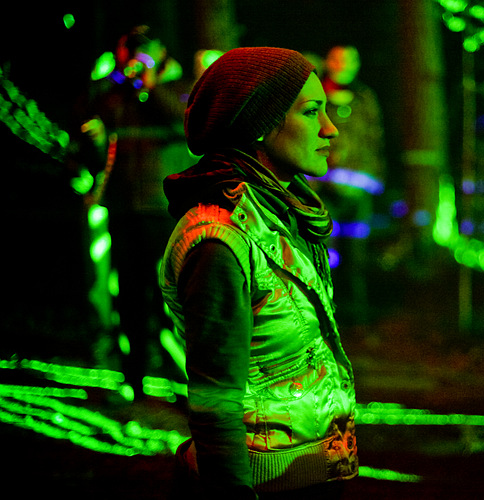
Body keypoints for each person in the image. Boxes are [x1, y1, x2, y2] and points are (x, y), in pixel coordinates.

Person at [159, 47, 358, 498]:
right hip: (262, 487)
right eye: (312, 111)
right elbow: (215, 399)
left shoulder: (285, 215)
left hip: (310, 477)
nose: (330, 129)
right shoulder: (220, 240)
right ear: (261, 125)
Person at [76, 26, 192, 398]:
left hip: (164, 208)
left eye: (146, 51)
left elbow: (182, 124)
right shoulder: (113, 93)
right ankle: (133, 376)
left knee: (169, 293)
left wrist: (151, 85)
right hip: (123, 206)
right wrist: (96, 138)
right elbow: (97, 143)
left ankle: (181, 376)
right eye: (132, 52)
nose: (137, 59)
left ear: (160, 53)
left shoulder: (180, 88)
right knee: (128, 293)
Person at [317, 45, 386, 326]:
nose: (342, 66)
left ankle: (358, 319)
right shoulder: (315, 97)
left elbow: (375, 141)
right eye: (337, 60)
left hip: (358, 195)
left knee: (356, 259)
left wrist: (370, 180)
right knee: (325, 258)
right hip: (322, 196)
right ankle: (324, 319)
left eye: (349, 61)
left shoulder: (365, 99)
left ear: (357, 65)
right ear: (328, 62)